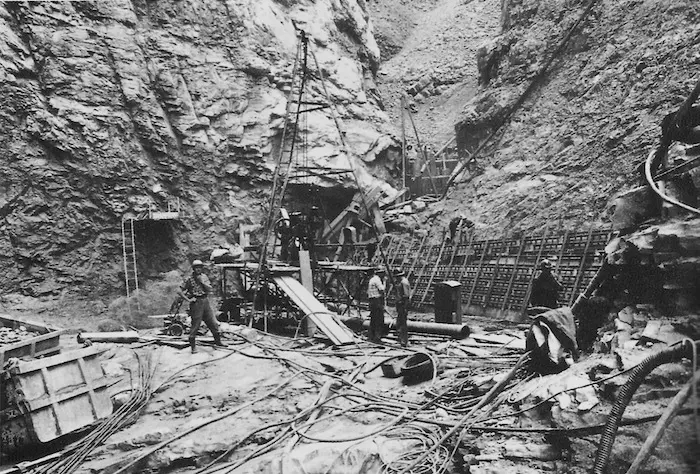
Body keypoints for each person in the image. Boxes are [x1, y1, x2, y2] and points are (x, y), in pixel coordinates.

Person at [178, 259, 226, 353]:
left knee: (212, 322)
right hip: (196, 303)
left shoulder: (204, 277)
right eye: (196, 268)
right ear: (193, 269)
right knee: (196, 324)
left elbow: (209, 288)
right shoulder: (189, 279)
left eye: (200, 267)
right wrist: (189, 299)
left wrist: (202, 282)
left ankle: (218, 341)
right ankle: (193, 347)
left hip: (205, 301)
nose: (198, 269)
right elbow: (179, 291)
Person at [367, 267, 386, 343]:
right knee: (379, 319)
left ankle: (371, 336)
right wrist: (384, 282)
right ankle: (377, 337)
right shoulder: (377, 279)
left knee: (373, 319)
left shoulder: (371, 279)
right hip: (377, 300)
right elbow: (382, 289)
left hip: (372, 300)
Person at [394, 270, 411, 347]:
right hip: (400, 304)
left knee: (403, 323)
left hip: (403, 304)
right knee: (400, 322)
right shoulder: (401, 282)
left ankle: (404, 341)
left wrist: (404, 306)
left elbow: (406, 295)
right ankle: (401, 339)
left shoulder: (404, 282)